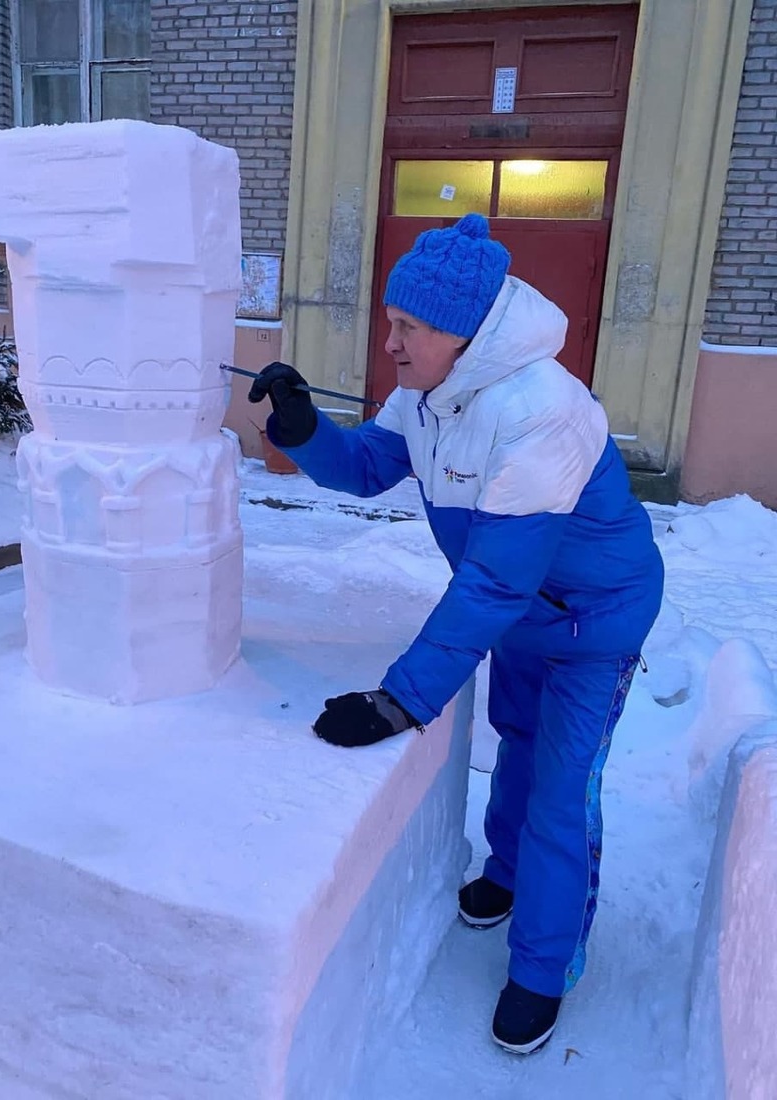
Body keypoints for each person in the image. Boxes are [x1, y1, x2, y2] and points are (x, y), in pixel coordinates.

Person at [248, 213, 664, 1056]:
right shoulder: (427, 397)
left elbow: (496, 577)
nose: (390, 344)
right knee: (516, 743)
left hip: (592, 623)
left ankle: (542, 970)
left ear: (464, 334)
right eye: (391, 324)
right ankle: (506, 875)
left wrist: (402, 699)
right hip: (520, 618)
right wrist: (302, 430)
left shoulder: (546, 413)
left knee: (561, 790)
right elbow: (369, 466)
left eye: (408, 328)